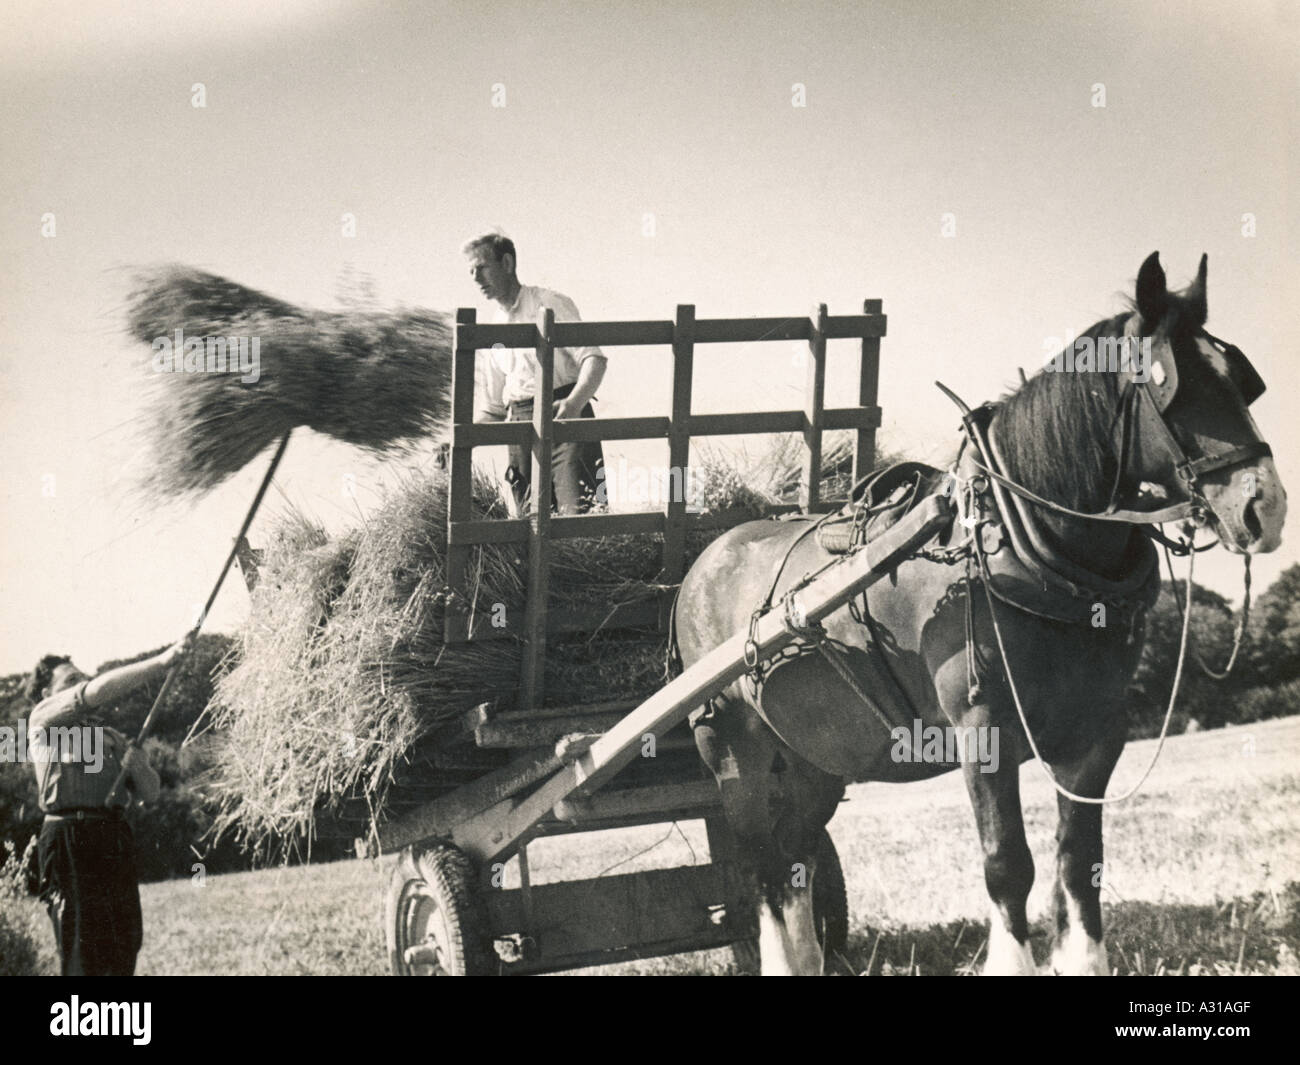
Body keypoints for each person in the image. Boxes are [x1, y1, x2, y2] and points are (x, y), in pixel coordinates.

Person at [25, 638, 189, 976]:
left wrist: (139, 766)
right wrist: (163, 662)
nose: (82, 682)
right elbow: (96, 691)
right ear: (48, 695)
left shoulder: (111, 737)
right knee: (82, 949)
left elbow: (150, 793)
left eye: (83, 675)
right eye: (71, 680)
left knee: (124, 941)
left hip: (112, 838)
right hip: (69, 839)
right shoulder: (42, 721)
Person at [464, 232, 607, 515]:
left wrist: (574, 404)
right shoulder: (494, 329)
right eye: (470, 271)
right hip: (519, 428)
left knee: (581, 517)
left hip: (565, 418)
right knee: (529, 524)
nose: (475, 278)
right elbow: (492, 410)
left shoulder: (549, 303)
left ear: (506, 263)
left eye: (481, 268)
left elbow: (594, 359)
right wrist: (462, 438)